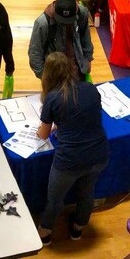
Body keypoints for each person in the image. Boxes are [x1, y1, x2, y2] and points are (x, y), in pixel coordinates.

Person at [35, 52, 109, 244]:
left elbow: (43, 134)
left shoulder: (52, 98)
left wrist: (45, 128)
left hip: (70, 160)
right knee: (87, 193)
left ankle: (45, 232)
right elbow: (85, 114)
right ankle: (77, 229)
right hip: (99, 154)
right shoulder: (90, 88)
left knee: (55, 199)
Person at [29, 0, 94, 79]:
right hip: (54, 75)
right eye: (62, 21)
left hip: (78, 70)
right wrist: (45, 77)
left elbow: (86, 39)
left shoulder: (82, 13)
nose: (66, 23)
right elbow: (35, 53)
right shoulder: (42, 24)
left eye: (69, 20)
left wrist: (87, 62)